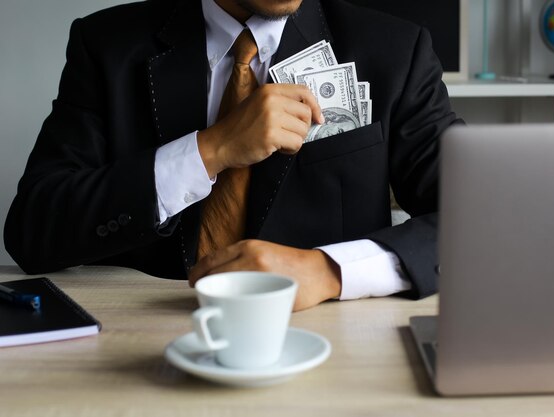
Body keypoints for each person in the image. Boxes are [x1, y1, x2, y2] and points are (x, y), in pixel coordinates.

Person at [4, 0, 461, 311]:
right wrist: (210, 150)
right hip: (139, 341)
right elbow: (34, 231)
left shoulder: (396, 51)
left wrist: (329, 271)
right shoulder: (106, 44)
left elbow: (484, 218)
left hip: (326, 347)